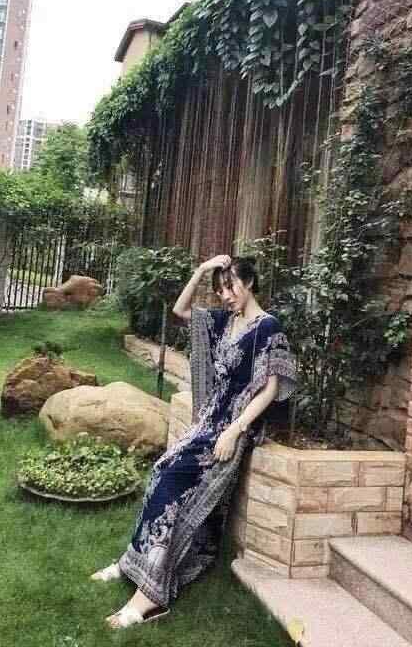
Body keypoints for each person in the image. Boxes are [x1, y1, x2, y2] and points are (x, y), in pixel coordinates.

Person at [90, 253, 298, 629]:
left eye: (231, 287)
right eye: (220, 290)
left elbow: (270, 390)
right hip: (207, 423)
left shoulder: (268, 328)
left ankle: (150, 598)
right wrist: (202, 270)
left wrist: (235, 430)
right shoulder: (224, 321)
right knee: (160, 474)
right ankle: (131, 562)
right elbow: (180, 309)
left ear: (249, 283)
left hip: (233, 428)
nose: (225, 296)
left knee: (174, 489)